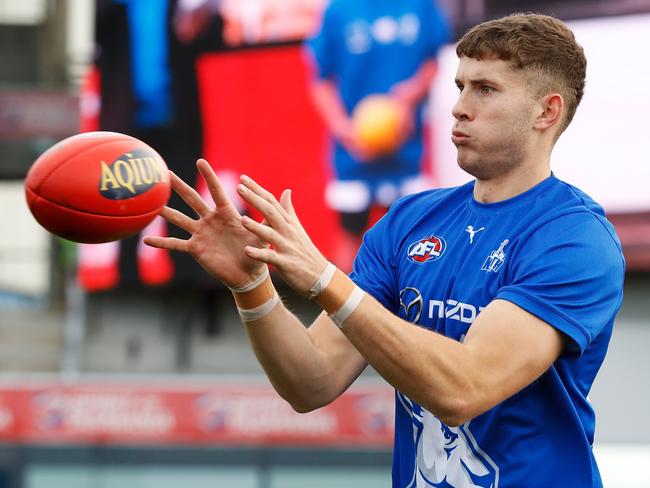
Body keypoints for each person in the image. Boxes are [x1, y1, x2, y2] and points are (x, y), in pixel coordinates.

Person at [144, 13, 625, 487]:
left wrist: (324, 279)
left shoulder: (574, 238)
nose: (459, 106)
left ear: (547, 111)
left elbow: (463, 387)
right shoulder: (409, 222)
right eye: (459, 86)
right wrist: (251, 286)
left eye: (485, 89)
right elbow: (311, 382)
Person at [306, 0, 451, 270]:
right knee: (351, 234)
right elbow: (320, 80)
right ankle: (343, 310)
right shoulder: (338, 10)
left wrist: (410, 95)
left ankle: (404, 310)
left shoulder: (420, 5)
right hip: (353, 157)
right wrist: (343, 128)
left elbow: (432, 61)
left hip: (407, 154)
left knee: (411, 240)